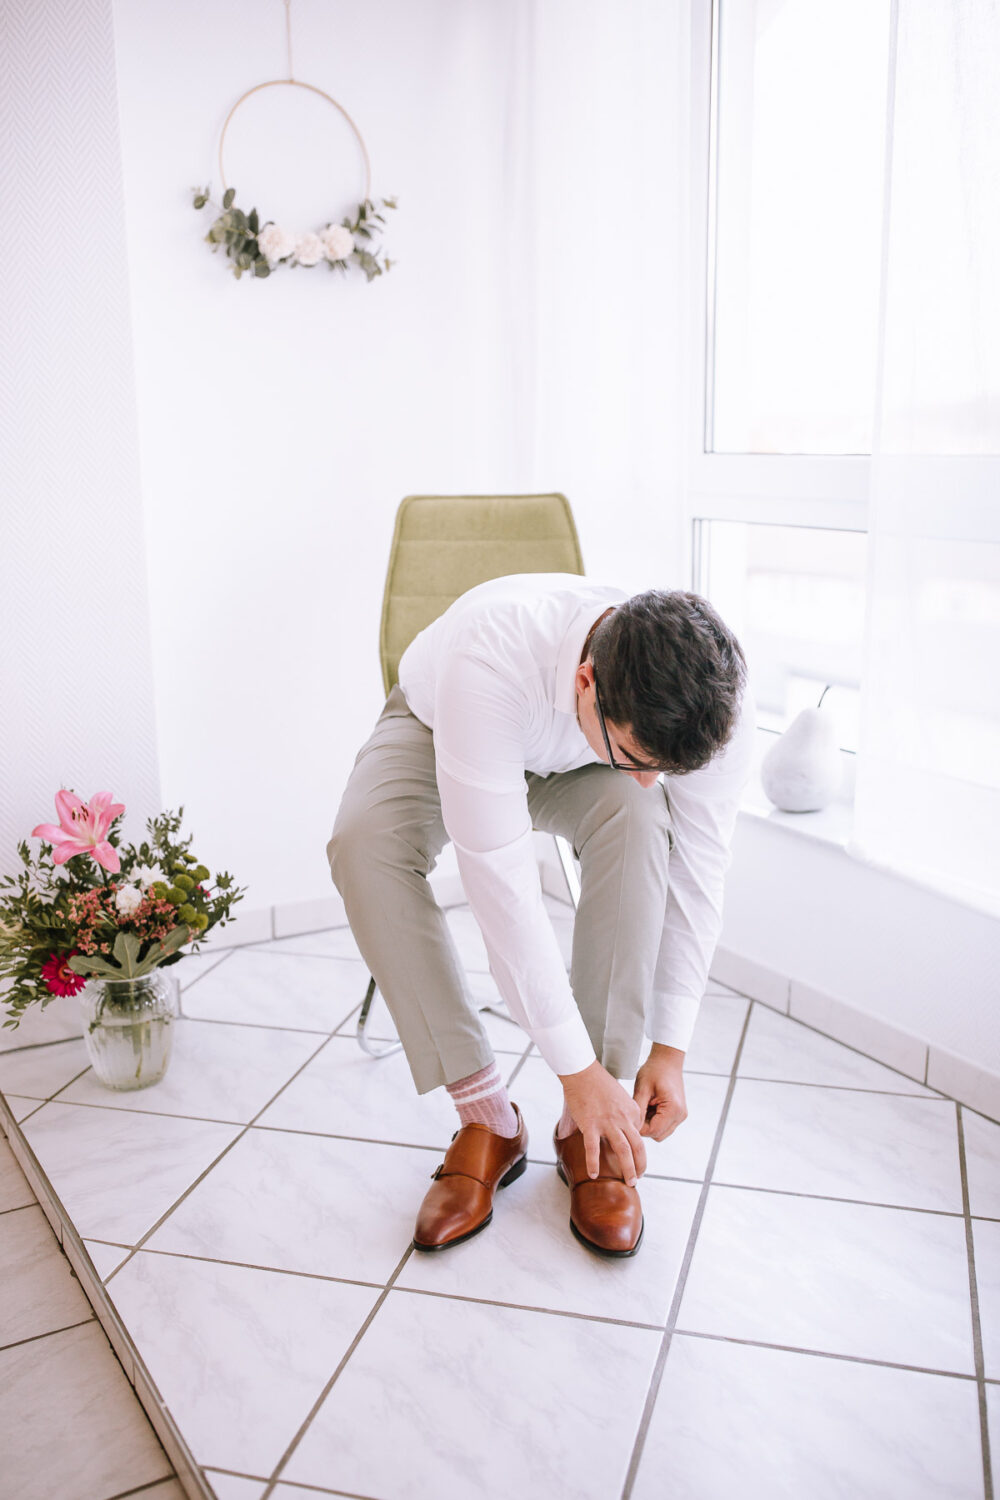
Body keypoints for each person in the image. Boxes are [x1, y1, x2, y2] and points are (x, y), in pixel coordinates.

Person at [327, 572, 753, 1258]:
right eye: (640, 759)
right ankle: (488, 1119)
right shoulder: (487, 657)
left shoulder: (712, 696)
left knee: (639, 818)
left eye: (666, 767)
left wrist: (669, 1049)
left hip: (580, 758)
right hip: (445, 725)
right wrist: (569, 1068)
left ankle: (596, 1122)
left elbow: (698, 873)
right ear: (587, 682)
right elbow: (504, 892)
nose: (650, 778)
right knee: (363, 847)